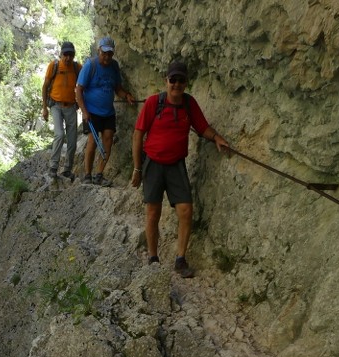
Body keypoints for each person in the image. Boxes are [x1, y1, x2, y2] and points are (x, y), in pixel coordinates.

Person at [131, 60, 229, 276]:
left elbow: (202, 127)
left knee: (185, 210)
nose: (176, 84)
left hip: (176, 165)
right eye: (172, 79)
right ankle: (153, 257)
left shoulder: (188, 103)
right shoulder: (153, 103)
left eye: (181, 80)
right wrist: (137, 169)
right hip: (153, 164)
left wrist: (217, 138)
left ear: (186, 83)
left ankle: (180, 259)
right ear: (166, 80)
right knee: (153, 211)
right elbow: (138, 135)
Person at [75, 36, 136, 186]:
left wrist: (127, 95)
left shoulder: (114, 66)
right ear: (99, 51)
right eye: (104, 53)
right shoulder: (90, 65)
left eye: (110, 54)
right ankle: (88, 175)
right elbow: (78, 90)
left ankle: (99, 174)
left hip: (108, 111)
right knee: (92, 142)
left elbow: (117, 89)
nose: (107, 57)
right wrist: (84, 111)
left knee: (108, 140)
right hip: (91, 111)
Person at [42, 42, 82, 180]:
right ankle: (53, 167)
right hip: (56, 105)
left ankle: (67, 169)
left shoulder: (77, 68)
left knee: (72, 140)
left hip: (71, 107)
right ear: (61, 54)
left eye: (71, 55)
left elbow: (83, 86)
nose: (68, 58)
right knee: (59, 134)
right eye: (66, 54)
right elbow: (45, 86)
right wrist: (44, 108)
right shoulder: (54, 66)